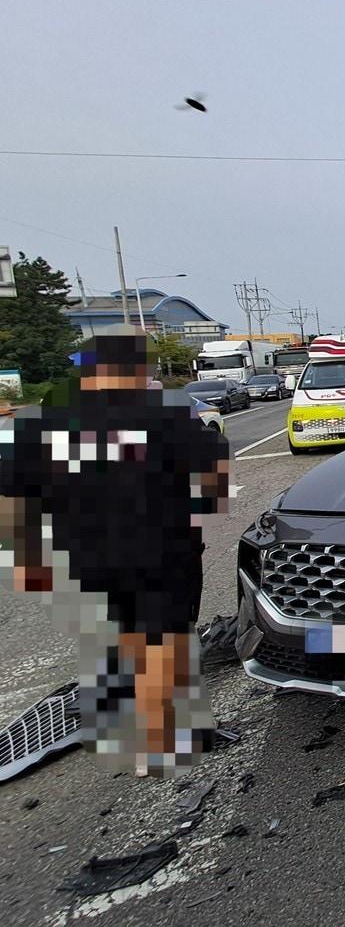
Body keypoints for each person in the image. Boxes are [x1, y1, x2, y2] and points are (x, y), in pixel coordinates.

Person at [0, 327, 229, 776]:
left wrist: (23, 555)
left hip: (86, 555)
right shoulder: (165, 415)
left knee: (116, 633)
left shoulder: (40, 422)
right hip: (161, 551)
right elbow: (212, 469)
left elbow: (11, 496)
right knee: (163, 637)